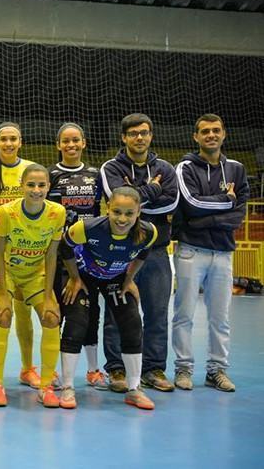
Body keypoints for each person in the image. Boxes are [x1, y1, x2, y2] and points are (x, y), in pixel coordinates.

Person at [100, 113, 179, 393]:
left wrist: (137, 197)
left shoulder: (167, 168)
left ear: (151, 135)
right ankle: (117, 370)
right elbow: (117, 202)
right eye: (133, 133)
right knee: (116, 312)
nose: (139, 138)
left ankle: (153, 369)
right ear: (124, 137)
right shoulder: (110, 166)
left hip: (156, 252)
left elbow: (169, 205)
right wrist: (154, 189)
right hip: (119, 252)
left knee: (157, 312)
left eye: (144, 132)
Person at [60, 187, 157, 410]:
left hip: (114, 277)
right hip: (82, 275)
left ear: (138, 212)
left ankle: (134, 389)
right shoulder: (87, 228)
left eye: (129, 213)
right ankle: (67, 387)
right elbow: (65, 248)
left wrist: (129, 278)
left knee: (132, 322)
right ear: (107, 209)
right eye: (116, 212)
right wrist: (74, 278)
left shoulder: (148, 232)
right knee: (77, 324)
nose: (122, 219)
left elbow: (143, 254)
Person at [172, 114, 250, 392]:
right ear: (196, 137)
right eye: (205, 131)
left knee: (221, 317)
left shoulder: (237, 170)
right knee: (184, 314)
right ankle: (183, 369)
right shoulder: (184, 168)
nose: (211, 135)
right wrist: (224, 202)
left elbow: (239, 212)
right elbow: (190, 205)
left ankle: (216, 370)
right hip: (191, 251)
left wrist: (209, 216)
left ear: (224, 134)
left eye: (216, 130)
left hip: (223, 253)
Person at [0, 121, 44, 390]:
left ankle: (28, 368)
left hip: (24, 249)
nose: (9, 143)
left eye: (13, 139)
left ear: (21, 142)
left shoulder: (29, 169)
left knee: (23, 312)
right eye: (4, 139)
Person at [0, 164, 65, 407]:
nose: (36, 190)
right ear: (22, 186)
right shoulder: (5, 212)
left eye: (41, 185)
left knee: (52, 316)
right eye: (31, 185)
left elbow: (51, 255)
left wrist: (48, 295)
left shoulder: (57, 213)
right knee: (2, 315)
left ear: (48, 187)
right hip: (8, 271)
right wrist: (3, 294)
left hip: (36, 274)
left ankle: (45, 387)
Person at [46, 123, 106, 390]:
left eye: (75, 140)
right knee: (59, 312)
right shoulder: (51, 174)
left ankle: (93, 370)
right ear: (58, 145)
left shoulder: (96, 174)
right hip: (60, 253)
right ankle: (54, 372)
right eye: (65, 141)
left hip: (89, 256)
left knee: (91, 312)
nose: (70, 145)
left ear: (84, 143)